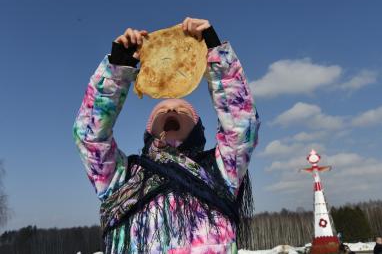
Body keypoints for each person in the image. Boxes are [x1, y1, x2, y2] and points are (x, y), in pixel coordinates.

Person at [73, 17, 260, 254]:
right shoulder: (122, 178)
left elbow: (241, 125)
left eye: (183, 110)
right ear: (148, 132)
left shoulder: (221, 171)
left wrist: (216, 53)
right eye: (162, 110)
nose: (171, 109)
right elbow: (89, 137)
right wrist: (116, 70)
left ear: (198, 130)